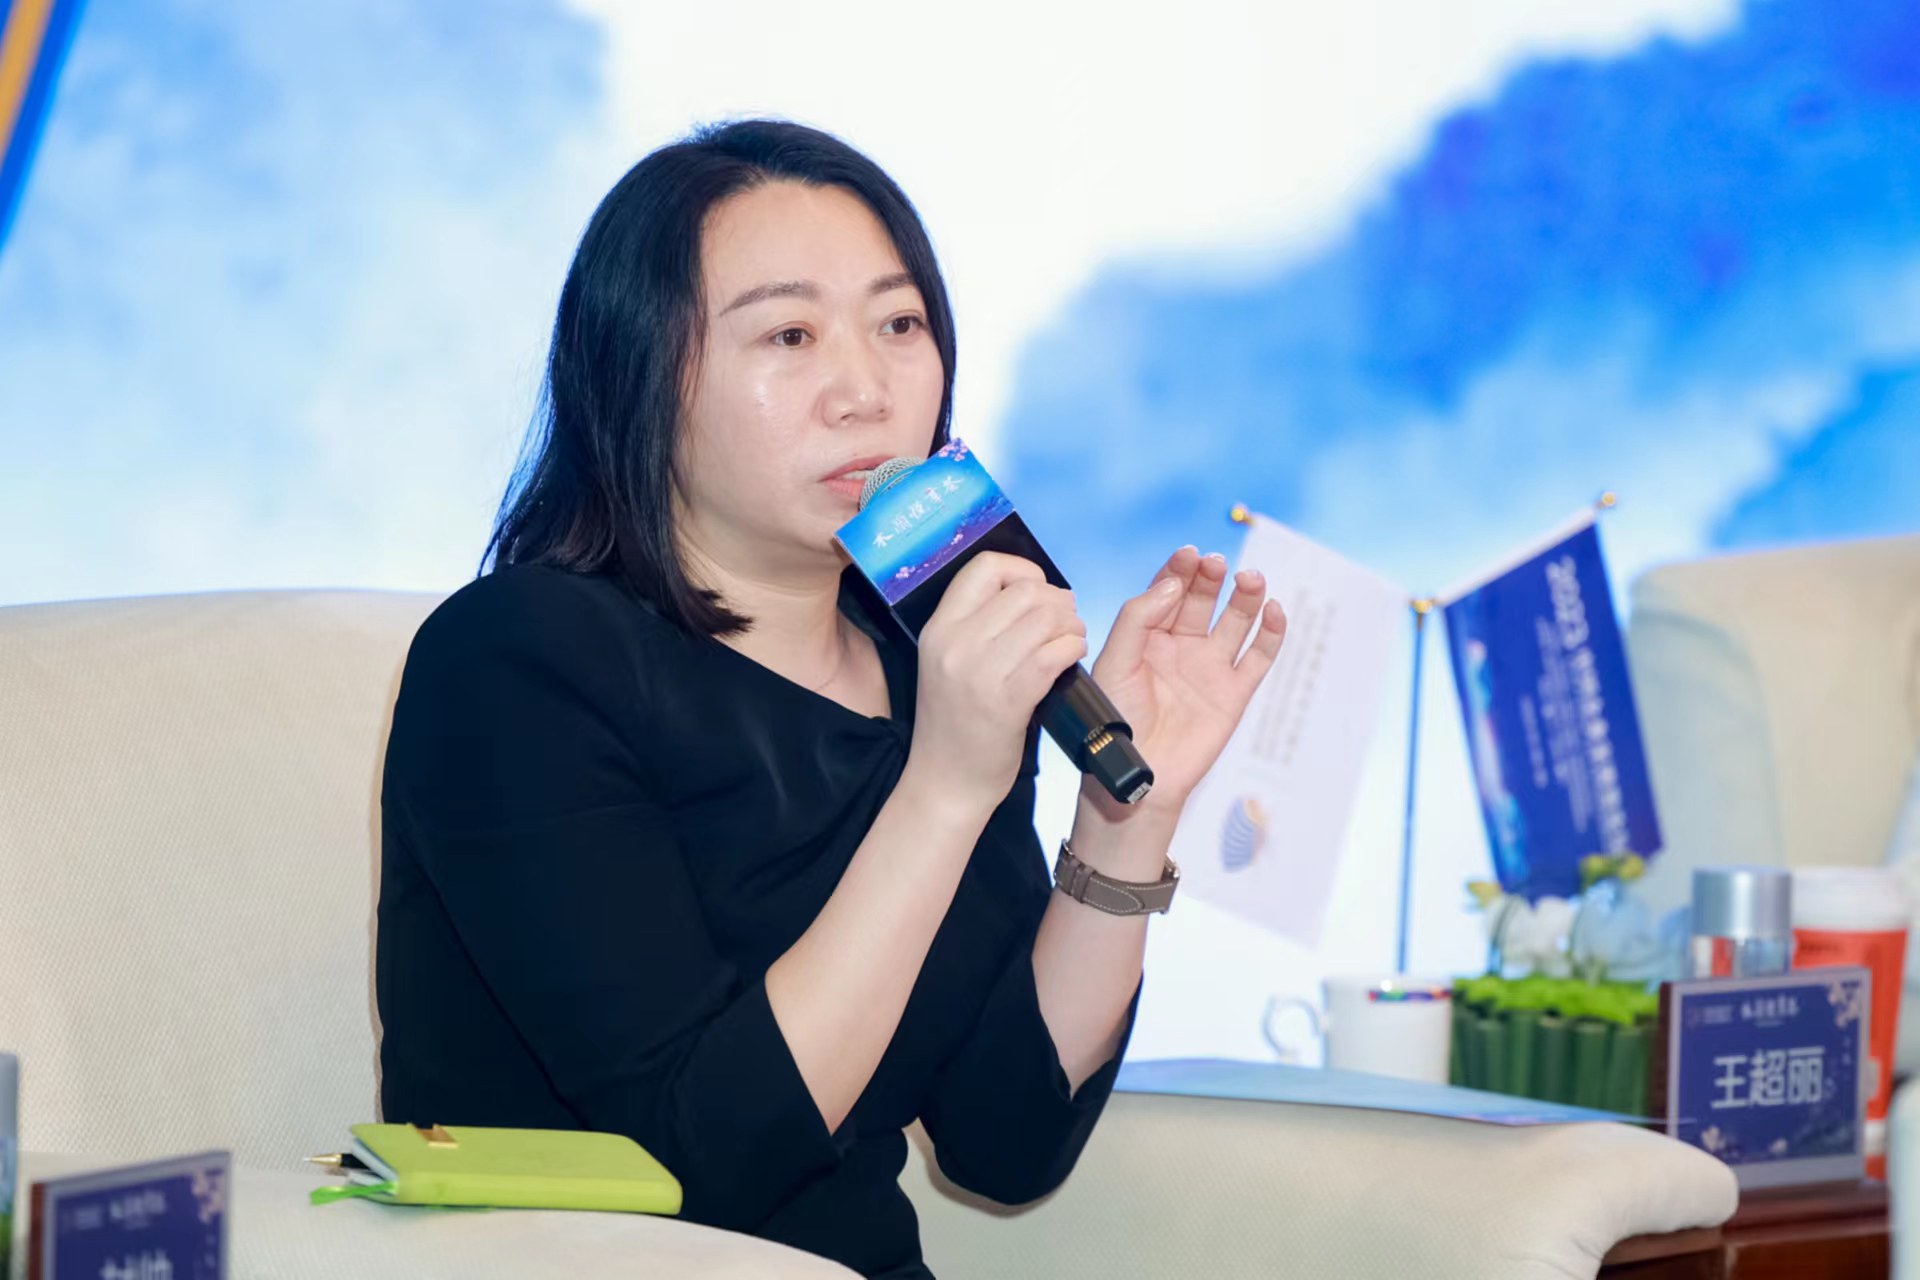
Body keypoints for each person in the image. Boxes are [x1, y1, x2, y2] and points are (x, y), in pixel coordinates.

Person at [374, 118, 1286, 1278]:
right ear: (639, 374)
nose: (866, 390)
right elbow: (696, 1156)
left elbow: (1007, 1137)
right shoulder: (515, 662)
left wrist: (1126, 820)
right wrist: (944, 783)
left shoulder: (925, 662)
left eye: (899, 324)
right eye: (790, 334)